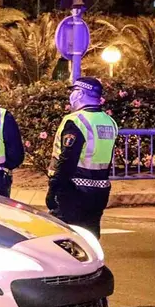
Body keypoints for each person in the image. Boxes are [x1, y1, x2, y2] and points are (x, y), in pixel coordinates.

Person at [46, 77, 118, 239]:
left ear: (80, 94)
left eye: (73, 91)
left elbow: (67, 160)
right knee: (91, 238)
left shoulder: (76, 121)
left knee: (67, 239)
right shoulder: (109, 122)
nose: (71, 95)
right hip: (100, 190)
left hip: (74, 191)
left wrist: (54, 189)